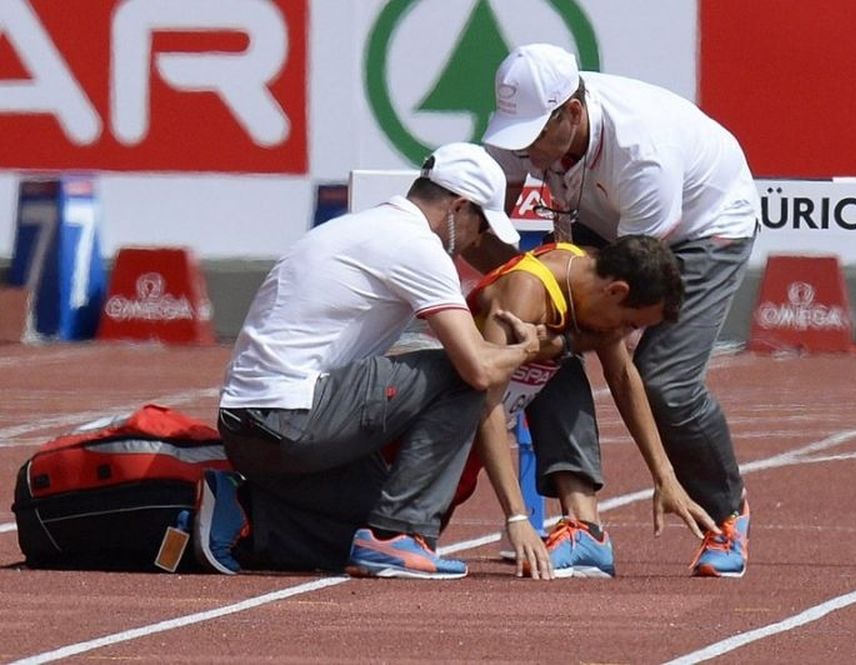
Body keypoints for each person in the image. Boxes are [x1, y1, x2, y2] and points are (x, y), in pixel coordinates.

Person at [196, 142, 551, 580]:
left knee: (376, 521)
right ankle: (397, 536)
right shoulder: (418, 247)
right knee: (460, 378)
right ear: (459, 207)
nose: (479, 241)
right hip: (291, 415)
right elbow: (476, 367)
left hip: (244, 428)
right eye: (482, 225)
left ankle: (247, 518)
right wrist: (526, 350)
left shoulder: (361, 228)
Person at [475, 44, 760, 577]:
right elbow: (478, 217)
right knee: (539, 334)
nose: (526, 149)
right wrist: (519, 292)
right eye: (519, 135)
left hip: (706, 227)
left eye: (536, 136)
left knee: (665, 382)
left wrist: (663, 475)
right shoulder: (531, 123)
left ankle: (726, 514)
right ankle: (583, 525)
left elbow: (613, 321)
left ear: (573, 114)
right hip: (604, 218)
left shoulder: (642, 155)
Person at [454, 235, 720, 580]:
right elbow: (485, 402)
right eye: (631, 324)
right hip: (449, 421)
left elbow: (623, 376)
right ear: (616, 292)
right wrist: (517, 517)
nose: (623, 334)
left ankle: (586, 530)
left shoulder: (589, 283)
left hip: (485, 418)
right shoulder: (526, 291)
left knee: (564, 366)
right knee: (389, 531)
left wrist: (664, 477)